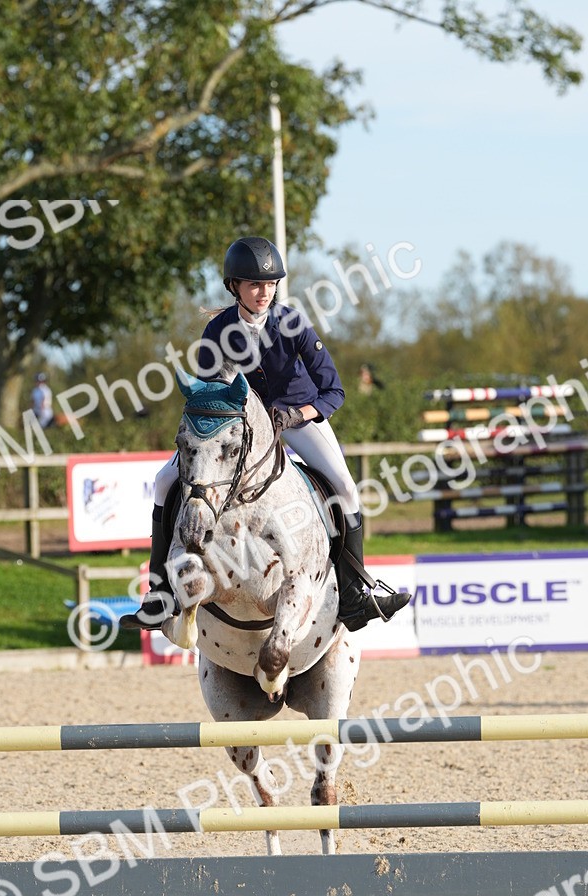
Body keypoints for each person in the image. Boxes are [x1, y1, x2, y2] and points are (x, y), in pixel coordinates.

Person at [121, 236, 410, 632]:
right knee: (163, 480)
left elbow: (334, 391)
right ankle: (160, 594)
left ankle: (356, 591)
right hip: (239, 430)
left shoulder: (293, 323)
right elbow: (210, 396)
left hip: (299, 418)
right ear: (234, 286)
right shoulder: (217, 332)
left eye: (271, 284)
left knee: (345, 485)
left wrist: (296, 415)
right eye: (255, 284)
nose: (264, 292)